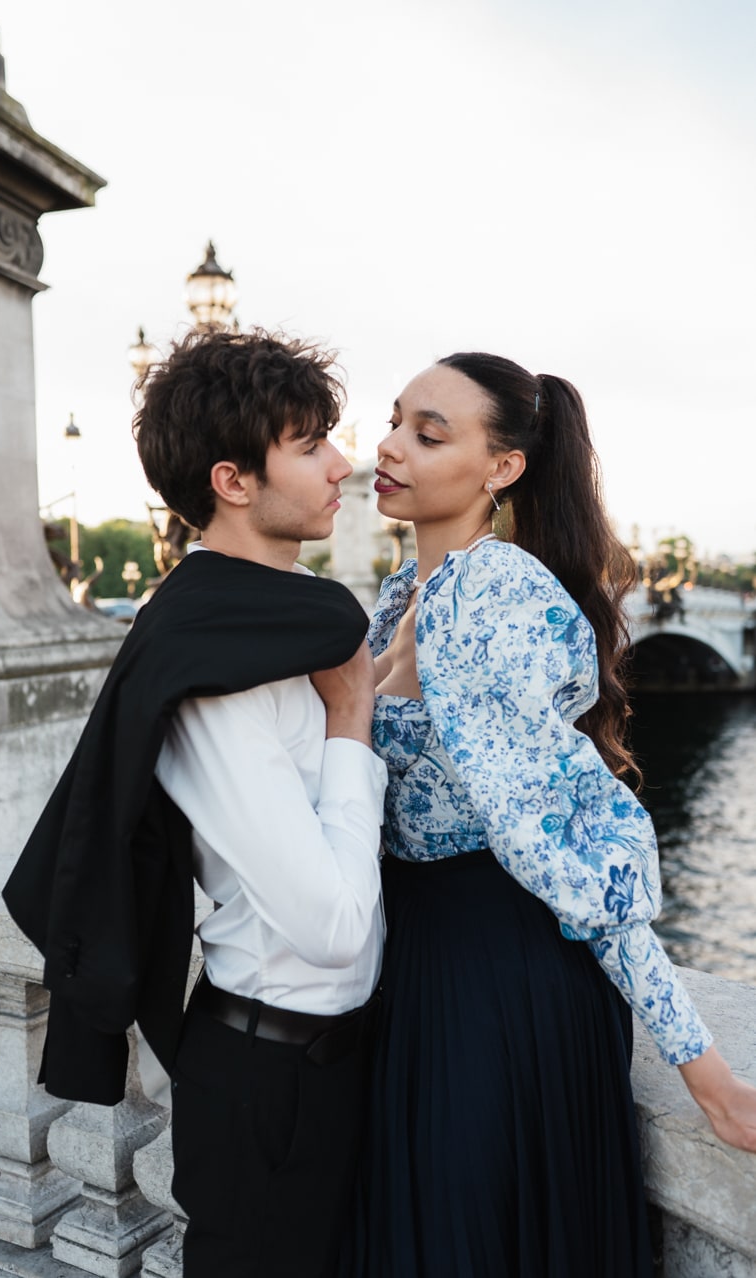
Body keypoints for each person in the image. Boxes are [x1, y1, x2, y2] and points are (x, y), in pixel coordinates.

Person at [341, 352, 756, 1278]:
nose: (388, 445)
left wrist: (705, 1070)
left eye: (427, 432)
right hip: (421, 965)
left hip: (499, 982)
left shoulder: (502, 597)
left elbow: (572, 850)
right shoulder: (405, 593)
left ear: (504, 469)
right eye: (396, 420)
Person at [3, 328, 387, 1278]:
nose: (344, 465)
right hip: (272, 1079)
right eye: (310, 444)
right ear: (234, 480)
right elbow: (333, 927)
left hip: (324, 1060)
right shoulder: (211, 666)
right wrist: (350, 722)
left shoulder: (272, 619)